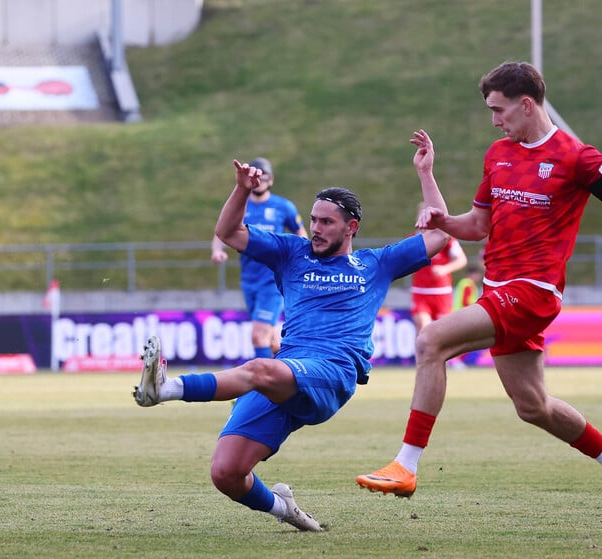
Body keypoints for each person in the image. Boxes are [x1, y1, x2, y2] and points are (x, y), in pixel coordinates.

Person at [355, 62, 602, 520]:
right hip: (498, 289)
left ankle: (406, 464)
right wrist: (433, 194)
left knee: (429, 340)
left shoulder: (577, 158)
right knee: (533, 406)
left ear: (526, 104)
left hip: (533, 292)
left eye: (499, 110)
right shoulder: (498, 153)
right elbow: (476, 225)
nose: (495, 120)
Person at [133, 155, 450, 531]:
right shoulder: (291, 253)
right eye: (313, 220)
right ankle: (286, 510)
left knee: (259, 367)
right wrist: (241, 190)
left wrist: (425, 174)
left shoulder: (375, 264)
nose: (315, 228)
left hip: (331, 374)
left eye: (326, 222)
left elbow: (440, 236)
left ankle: (166, 389)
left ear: (351, 227)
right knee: (226, 472)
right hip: (286, 371)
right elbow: (229, 232)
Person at [210, 157, 307, 359]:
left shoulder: (283, 207)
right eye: (257, 177)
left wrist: (303, 262)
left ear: (271, 180)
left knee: (258, 335)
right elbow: (221, 231)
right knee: (271, 340)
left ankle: (264, 386)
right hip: (249, 280)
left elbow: (301, 234)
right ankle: (297, 370)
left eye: (265, 177)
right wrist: (217, 250)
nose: (261, 181)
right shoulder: (241, 207)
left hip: (273, 281)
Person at [410, 201, 469, 335]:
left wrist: (444, 269)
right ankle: (422, 355)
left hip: (441, 292)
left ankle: (444, 356)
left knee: (442, 334)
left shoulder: (445, 239)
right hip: (421, 292)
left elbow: (461, 260)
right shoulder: (413, 239)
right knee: (424, 331)